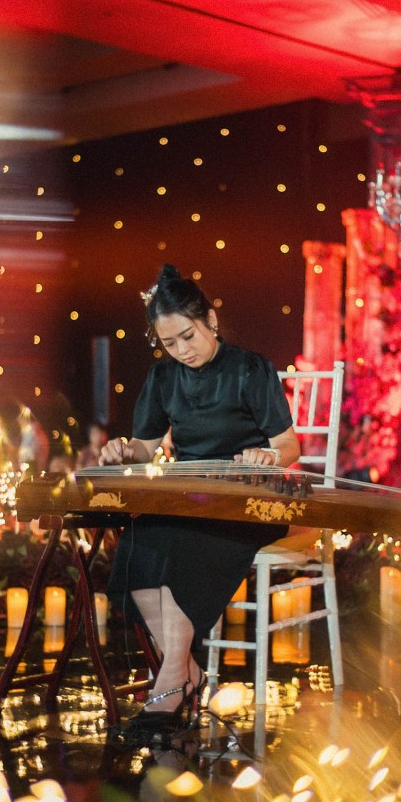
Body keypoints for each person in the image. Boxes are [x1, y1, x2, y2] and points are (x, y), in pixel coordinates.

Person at [100, 263, 300, 739]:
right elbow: (144, 448)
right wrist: (122, 451)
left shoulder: (250, 368)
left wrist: (267, 456)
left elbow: (289, 446)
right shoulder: (163, 377)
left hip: (246, 505)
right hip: (191, 499)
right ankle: (185, 671)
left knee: (184, 542)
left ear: (210, 320)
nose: (182, 350)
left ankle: (172, 682)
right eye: (170, 343)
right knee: (140, 539)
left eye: (188, 336)